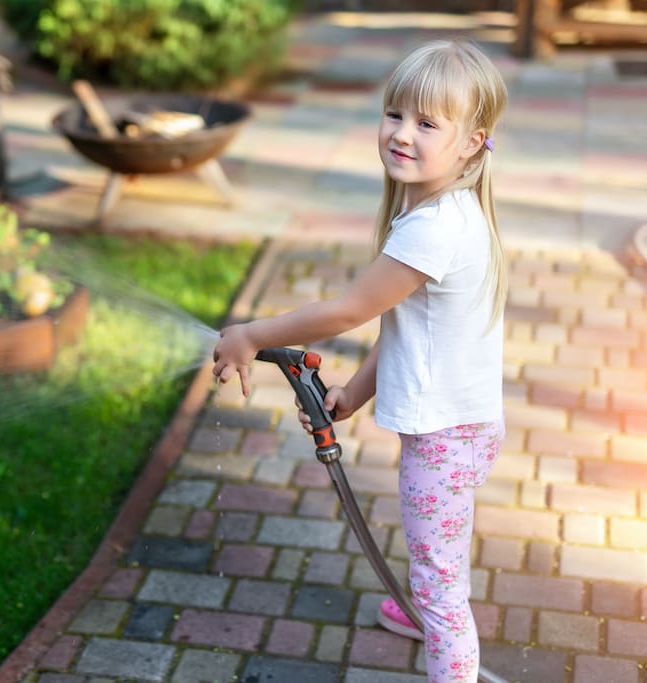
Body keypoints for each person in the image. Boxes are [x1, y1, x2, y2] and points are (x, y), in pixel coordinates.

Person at [211, 39, 508, 683]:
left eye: (427, 123)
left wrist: (252, 334)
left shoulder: (434, 227)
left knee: (442, 586)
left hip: (445, 438)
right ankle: (421, 606)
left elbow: (348, 311)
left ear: (470, 142)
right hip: (465, 425)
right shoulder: (443, 207)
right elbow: (407, 328)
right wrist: (357, 391)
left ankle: (435, 621)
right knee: (440, 548)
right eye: (395, 114)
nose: (402, 134)